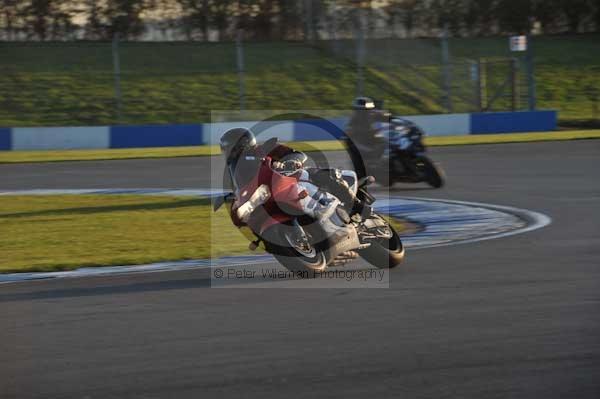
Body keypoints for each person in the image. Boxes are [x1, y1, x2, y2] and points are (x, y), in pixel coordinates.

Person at [219, 127, 358, 212]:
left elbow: (298, 154)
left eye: (231, 148)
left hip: (291, 178)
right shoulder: (235, 169)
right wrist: (232, 197)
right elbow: (240, 187)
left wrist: (290, 161)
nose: (229, 152)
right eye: (226, 149)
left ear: (242, 145)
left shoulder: (266, 148)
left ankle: (356, 205)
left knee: (314, 174)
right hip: (271, 194)